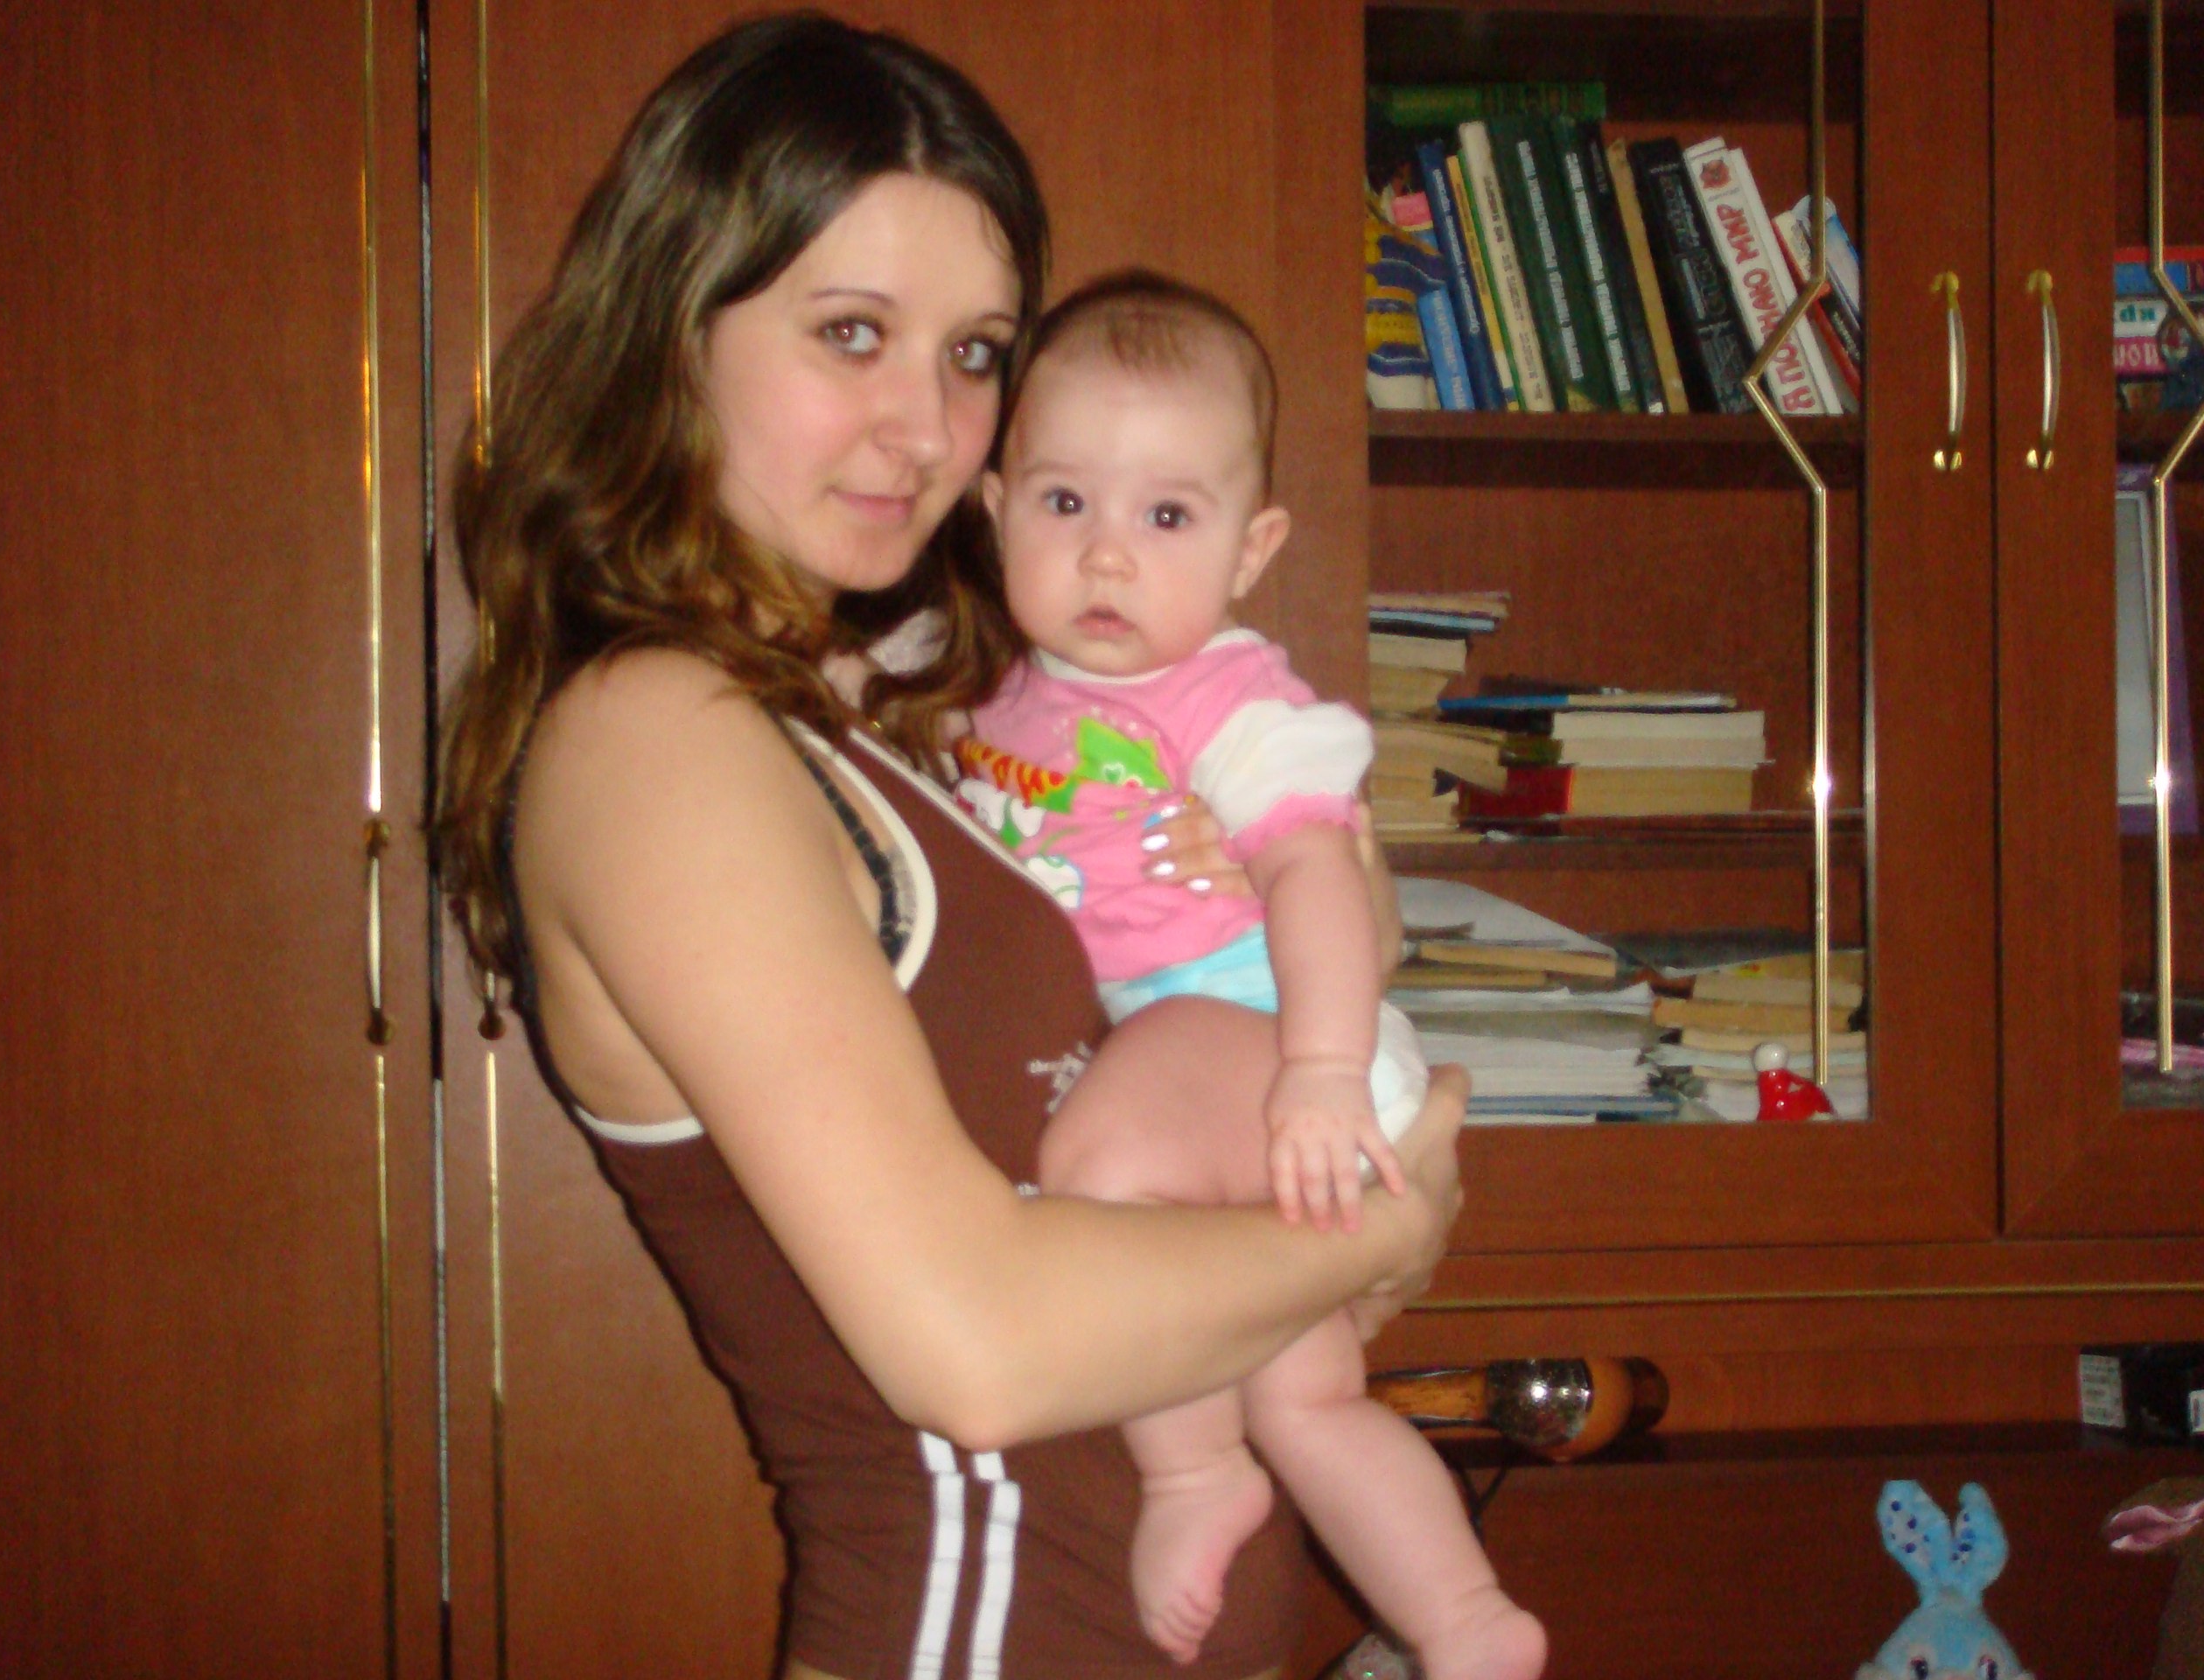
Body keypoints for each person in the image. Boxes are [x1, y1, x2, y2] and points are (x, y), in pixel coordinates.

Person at [431, 15, 1469, 1680]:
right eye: (851, 332)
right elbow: (974, 1345)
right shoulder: (653, 739)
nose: (927, 427)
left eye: (976, 354)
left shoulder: (881, 716)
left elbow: (1316, 915)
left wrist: (1308, 896)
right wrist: (1374, 1232)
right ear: (673, 330)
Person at [958, 274, 1546, 1680]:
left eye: (1167, 517)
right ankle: (1467, 1621)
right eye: (1064, 504)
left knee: (1099, 1163)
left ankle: (1190, 1470)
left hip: (1285, 1040)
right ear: (994, 511)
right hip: (1231, 1074)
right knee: (1311, 1396)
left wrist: (1325, 1073)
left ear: (1252, 546)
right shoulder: (1004, 709)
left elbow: (1316, 877)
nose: (1109, 557)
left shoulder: (1231, 699)